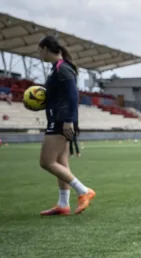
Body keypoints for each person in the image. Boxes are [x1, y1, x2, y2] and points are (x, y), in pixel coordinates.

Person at [34, 36, 96, 216]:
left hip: (61, 120)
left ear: (45, 49)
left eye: (39, 51)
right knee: (61, 162)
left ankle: (84, 191)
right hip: (59, 118)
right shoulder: (57, 68)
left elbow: (73, 95)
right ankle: (63, 204)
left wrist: (69, 119)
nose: (39, 55)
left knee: (46, 162)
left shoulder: (62, 68)